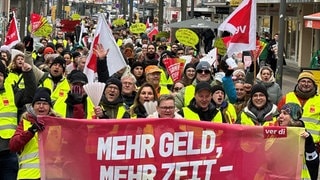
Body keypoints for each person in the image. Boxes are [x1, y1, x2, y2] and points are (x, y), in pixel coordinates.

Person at [9, 87, 59, 180]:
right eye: (38, 103)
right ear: (33, 106)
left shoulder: (57, 124)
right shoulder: (25, 123)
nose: (41, 106)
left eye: (44, 104)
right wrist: (31, 131)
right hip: (28, 175)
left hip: (51, 175)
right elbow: (13, 146)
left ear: (50, 107)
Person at [276, 103, 319, 180]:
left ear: (294, 117)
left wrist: (308, 142)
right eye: (280, 113)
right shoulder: (275, 135)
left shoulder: (304, 136)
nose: (280, 116)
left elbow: (314, 164)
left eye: (285, 113)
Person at [278, 71, 320, 144]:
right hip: (289, 142)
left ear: (314, 84)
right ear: (298, 83)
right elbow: (277, 119)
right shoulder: (287, 98)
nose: (306, 84)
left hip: (313, 144)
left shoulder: (318, 100)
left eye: (309, 82)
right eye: (303, 81)